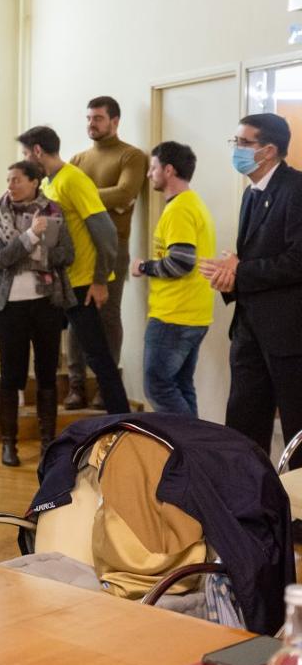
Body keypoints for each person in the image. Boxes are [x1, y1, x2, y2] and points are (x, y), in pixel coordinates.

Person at [199, 113, 302, 466]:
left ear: (269, 150)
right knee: (243, 425)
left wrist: (241, 272)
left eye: (243, 143)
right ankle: (246, 503)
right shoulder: (251, 195)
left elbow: (297, 261)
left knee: (296, 429)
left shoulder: (295, 189)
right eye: (236, 142)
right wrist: (230, 273)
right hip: (249, 328)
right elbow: (255, 259)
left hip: (288, 334)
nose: (236, 150)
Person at [21, 126, 130, 415]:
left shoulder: (74, 180)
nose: (24, 159)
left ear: (37, 152)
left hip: (82, 283)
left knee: (98, 356)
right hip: (60, 282)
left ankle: (121, 419)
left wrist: (100, 281)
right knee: (63, 350)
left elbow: (106, 232)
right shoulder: (49, 183)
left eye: (25, 153)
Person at [0, 160, 74, 465]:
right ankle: (9, 444)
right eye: (8, 179)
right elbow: (2, 259)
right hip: (9, 305)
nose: (11, 185)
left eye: (18, 179)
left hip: (47, 301)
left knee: (47, 373)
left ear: (35, 181)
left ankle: (49, 441)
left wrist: (38, 247)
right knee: (11, 373)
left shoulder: (53, 212)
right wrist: (33, 237)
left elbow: (66, 254)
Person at [65, 97, 148, 410]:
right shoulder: (78, 159)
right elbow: (57, 195)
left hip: (113, 248)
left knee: (108, 314)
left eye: (98, 118)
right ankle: (76, 384)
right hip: (77, 249)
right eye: (88, 118)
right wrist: (104, 200)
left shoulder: (131, 155)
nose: (91, 124)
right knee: (75, 317)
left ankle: (106, 385)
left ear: (115, 120)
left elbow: (126, 193)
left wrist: (80, 196)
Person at [130, 142, 216, 417]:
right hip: (192, 313)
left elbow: (181, 262)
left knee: (158, 386)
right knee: (180, 385)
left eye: (153, 168)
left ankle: (188, 447)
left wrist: (143, 267)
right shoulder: (192, 203)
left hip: (174, 316)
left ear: (168, 170)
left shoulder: (179, 209)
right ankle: (196, 452)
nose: (149, 175)